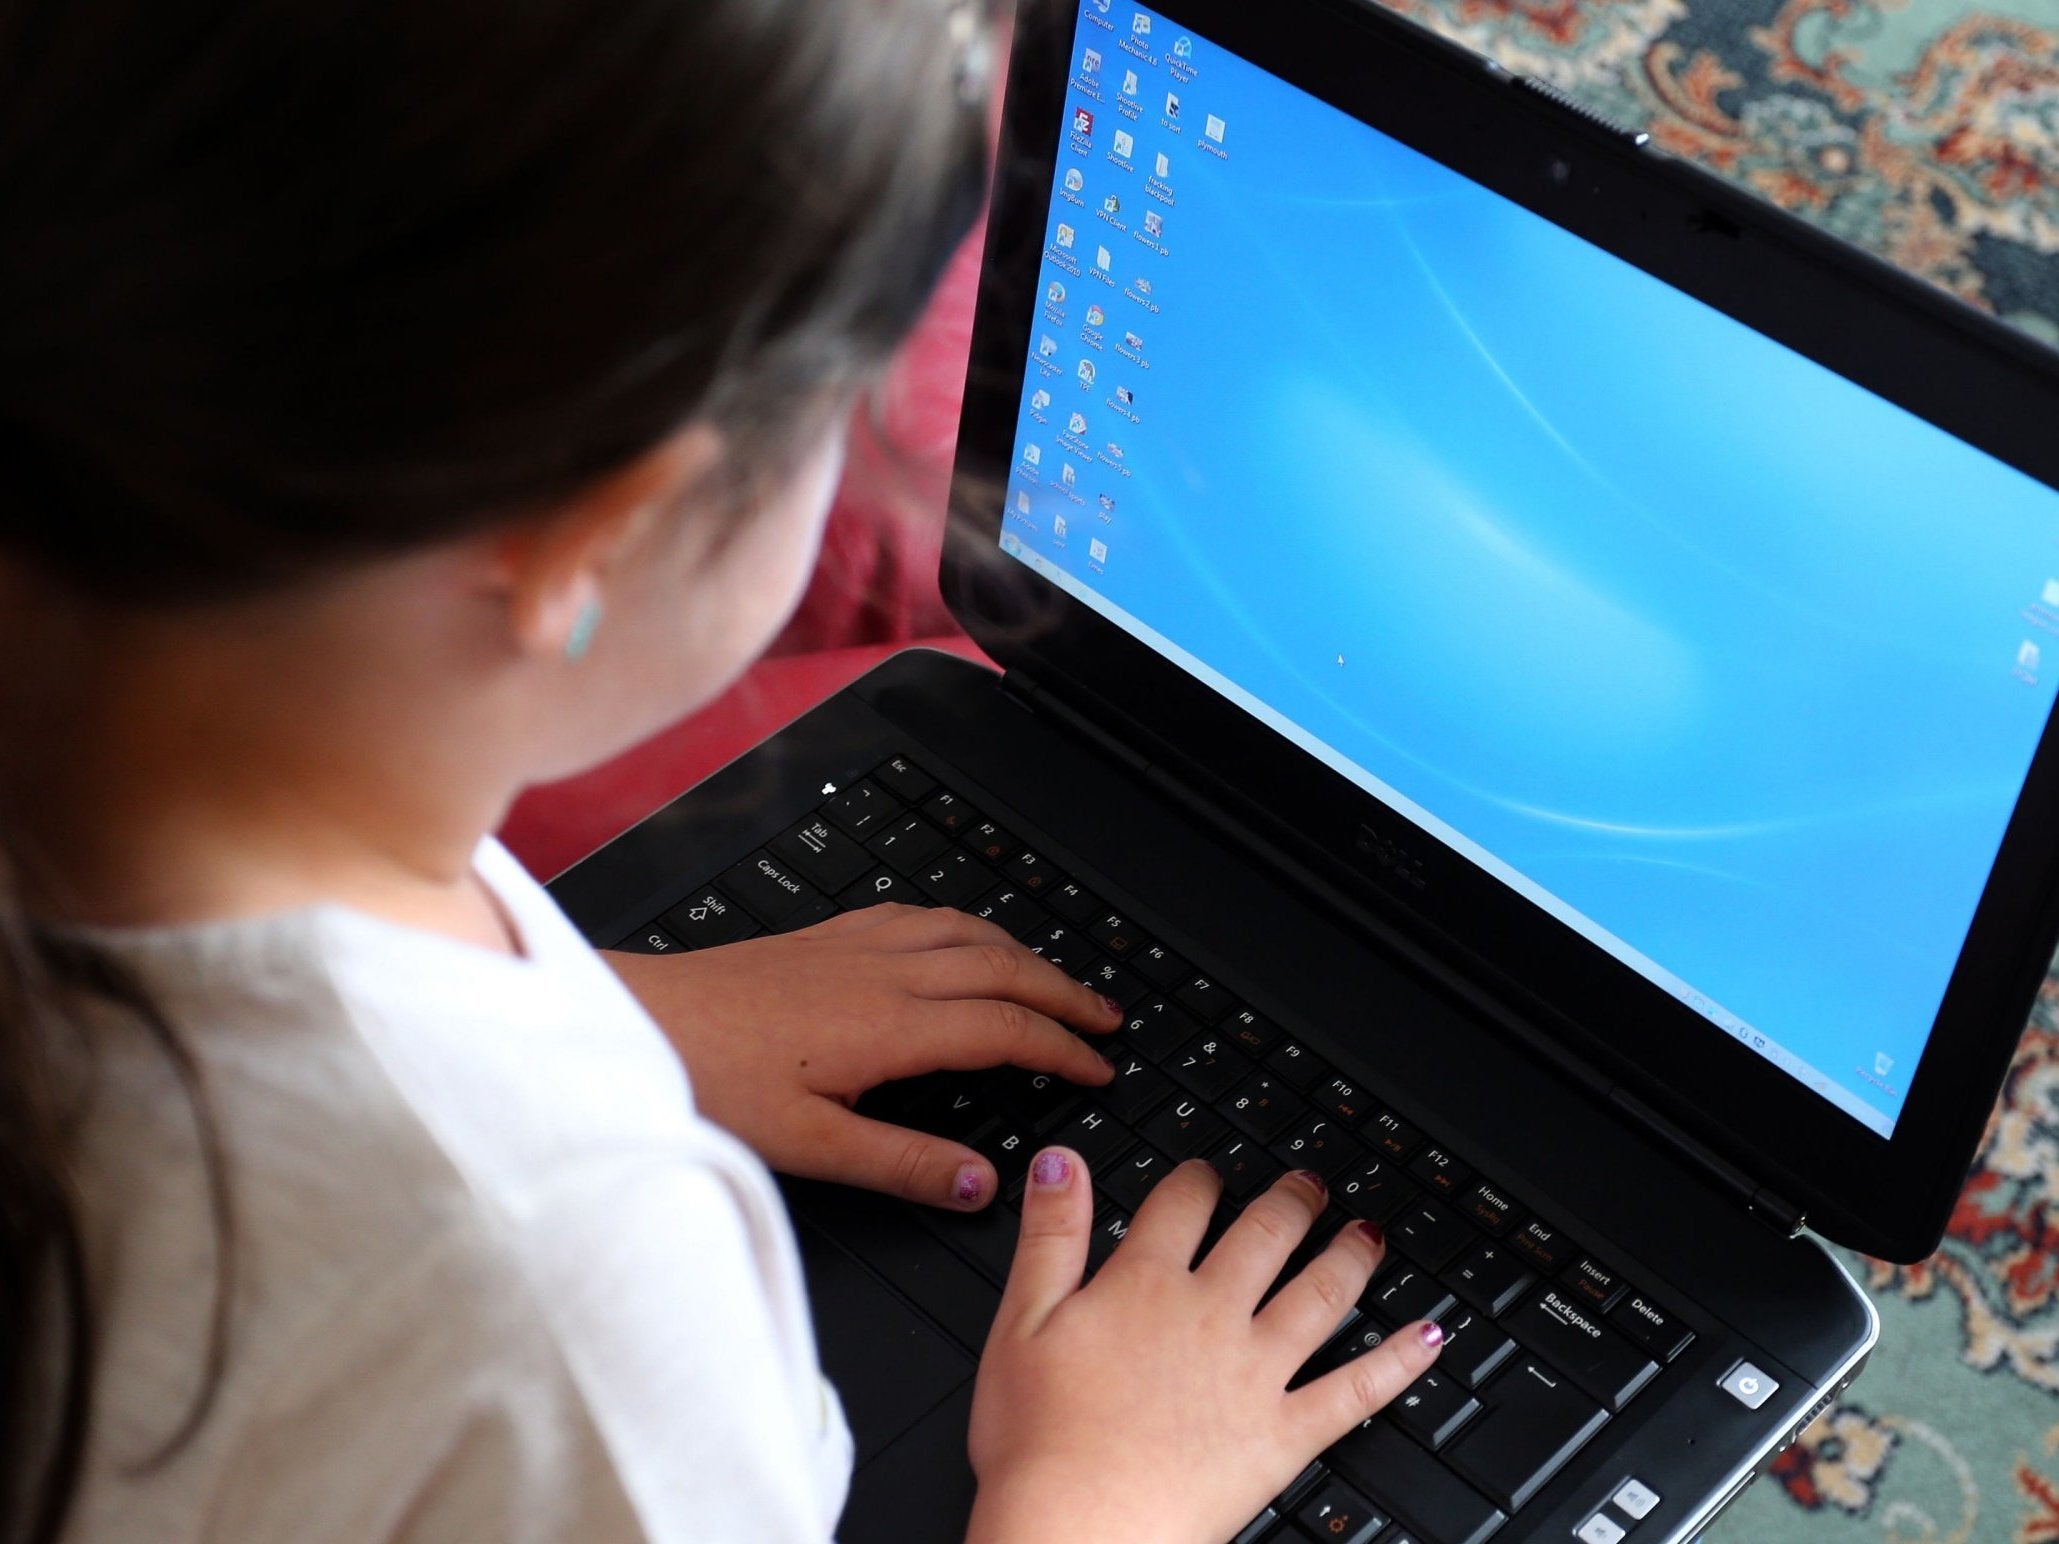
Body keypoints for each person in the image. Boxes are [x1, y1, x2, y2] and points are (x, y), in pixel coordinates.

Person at [0, 1, 1445, 1540]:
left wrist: (598, 1005)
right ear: (595, 536)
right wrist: (1098, 1495)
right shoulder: (583, 1283)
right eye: (841, 401)